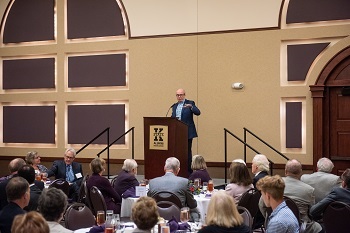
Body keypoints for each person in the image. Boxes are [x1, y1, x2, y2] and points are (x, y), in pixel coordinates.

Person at [147, 157, 199, 221]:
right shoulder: (184, 182)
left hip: (157, 217)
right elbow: (192, 204)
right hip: (179, 218)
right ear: (178, 170)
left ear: (164, 168)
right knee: (195, 212)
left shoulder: (152, 182)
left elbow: (148, 203)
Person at [283, 159, 323, 233]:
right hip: (301, 226)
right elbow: (311, 211)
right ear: (300, 172)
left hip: (278, 224)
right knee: (320, 228)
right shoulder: (309, 190)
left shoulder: (273, 185)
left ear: (285, 171)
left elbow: (262, 205)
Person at [171, 88, 201, 175]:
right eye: (177, 95)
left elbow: (198, 112)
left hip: (187, 131)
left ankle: (188, 171)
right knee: (177, 151)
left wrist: (191, 107)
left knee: (187, 151)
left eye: (181, 95)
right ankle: (177, 170)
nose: (179, 97)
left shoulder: (190, 103)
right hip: (177, 132)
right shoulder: (174, 106)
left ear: (184, 95)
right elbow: (173, 118)